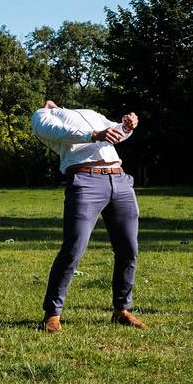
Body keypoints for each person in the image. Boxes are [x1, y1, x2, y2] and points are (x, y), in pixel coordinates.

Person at [31, 100, 145, 333]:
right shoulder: (42, 115)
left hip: (119, 178)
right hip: (86, 180)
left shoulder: (90, 112)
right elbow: (54, 131)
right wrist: (94, 134)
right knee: (74, 248)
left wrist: (126, 126)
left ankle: (122, 310)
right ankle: (52, 315)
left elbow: (114, 133)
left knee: (128, 248)